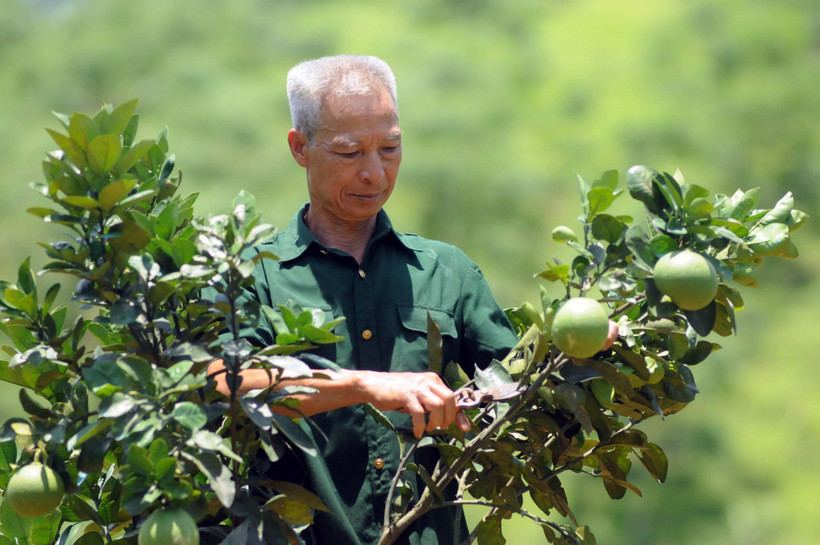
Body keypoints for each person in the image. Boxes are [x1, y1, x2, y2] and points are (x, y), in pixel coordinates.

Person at [208, 55, 613, 545]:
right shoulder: (251, 277)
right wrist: (365, 386)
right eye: (349, 152)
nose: (374, 172)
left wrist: (581, 361)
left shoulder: (447, 272)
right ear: (300, 147)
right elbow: (230, 385)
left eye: (390, 147)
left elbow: (525, 405)